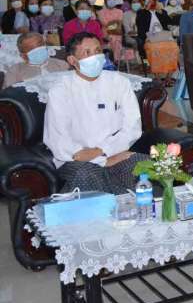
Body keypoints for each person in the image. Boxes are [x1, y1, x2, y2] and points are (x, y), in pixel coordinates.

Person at [42, 32, 143, 193]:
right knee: (88, 174)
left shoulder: (119, 82)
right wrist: (102, 160)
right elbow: (58, 139)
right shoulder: (60, 90)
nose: (95, 56)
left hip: (115, 151)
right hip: (75, 160)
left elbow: (132, 127)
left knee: (143, 165)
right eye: (87, 52)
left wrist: (104, 151)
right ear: (72, 61)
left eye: (97, 51)